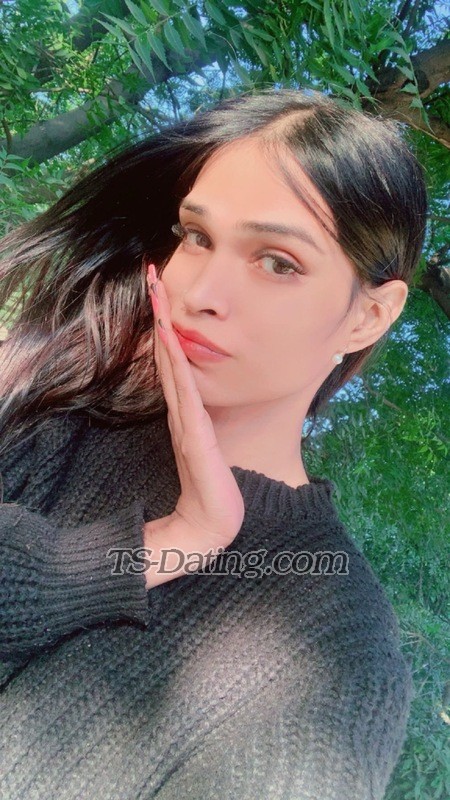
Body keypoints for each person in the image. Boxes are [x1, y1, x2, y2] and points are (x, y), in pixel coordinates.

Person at [0, 89, 427, 799]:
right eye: (196, 236)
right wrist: (172, 539)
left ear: (370, 315)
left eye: (278, 262)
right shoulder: (66, 399)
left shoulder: (337, 652)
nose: (199, 290)